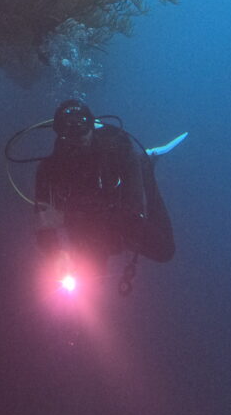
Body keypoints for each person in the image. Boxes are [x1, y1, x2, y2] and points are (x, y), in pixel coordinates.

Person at [34, 99, 175, 280]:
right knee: (90, 276)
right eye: (68, 128)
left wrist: (66, 217)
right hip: (89, 224)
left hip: (121, 215)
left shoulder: (119, 152)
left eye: (82, 126)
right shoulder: (48, 170)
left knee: (164, 250)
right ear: (59, 132)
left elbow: (132, 211)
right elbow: (43, 227)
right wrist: (56, 255)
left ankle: (146, 167)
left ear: (92, 127)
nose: (77, 135)